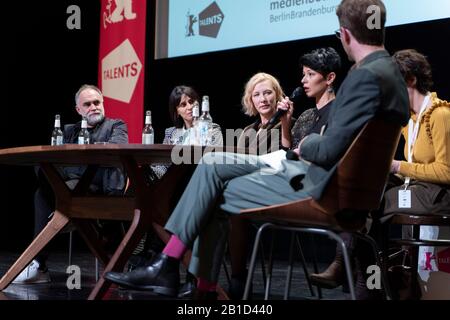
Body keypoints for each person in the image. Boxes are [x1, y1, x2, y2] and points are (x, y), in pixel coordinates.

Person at [104, 0, 409, 300]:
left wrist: (308, 143)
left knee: (212, 180)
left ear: (343, 33)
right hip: (338, 187)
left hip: (323, 189)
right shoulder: (390, 73)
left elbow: (327, 150)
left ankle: (176, 270)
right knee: (213, 167)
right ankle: (188, 278)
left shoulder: (364, 76)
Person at [309, 49, 450, 299]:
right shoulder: (410, 120)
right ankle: (366, 280)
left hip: (438, 195)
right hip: (417, 187)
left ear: (410, 80)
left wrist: (397, 166)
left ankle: (355, 273)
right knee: (366, 190)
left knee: (369, 202)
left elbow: (446, 172)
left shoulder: (440, 115)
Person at [229, 50, 341, 299]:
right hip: (292, 181)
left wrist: (286, 127)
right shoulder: (307, 116)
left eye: (310, 74)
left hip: (306, 191)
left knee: (228, 194)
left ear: (330, 78)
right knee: (221, 197)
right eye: (303, 75)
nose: (303, 80)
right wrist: (289, 126)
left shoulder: (338, 113)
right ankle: (208, 280)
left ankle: (228, 279)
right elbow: (290, 154)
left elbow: (294, 158)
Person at [13, 84, 128, 284]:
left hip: (100, 187)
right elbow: (56, 159)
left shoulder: (116, 125)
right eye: (87, 104)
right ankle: (42, 262)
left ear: (103, 104)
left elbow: (114, 151)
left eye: (97, 102)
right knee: (42, 179)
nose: (93, 107)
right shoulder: (69, 130)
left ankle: (42, 259)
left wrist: (72, 167)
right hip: (71, 186)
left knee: (47, 190)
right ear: (79, 110)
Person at [130, 85, 223, 298]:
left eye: (192, 102)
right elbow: (161, 165)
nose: (189, 107)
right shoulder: (171, 133)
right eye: (183, 104)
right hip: (171, 185)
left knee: (160, 204)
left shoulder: (213, 128)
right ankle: (152, 261)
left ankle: (165, 267)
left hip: (198, 186)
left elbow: (216, 160)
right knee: (148, 193)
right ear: (177, 111)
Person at [237, 72, 295, 154]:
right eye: (256, 95)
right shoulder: (247, 130)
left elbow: (286, 154)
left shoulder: (289, 123)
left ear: (277, 95)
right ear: (251, 100)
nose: (263, 99)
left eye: (268, 93)